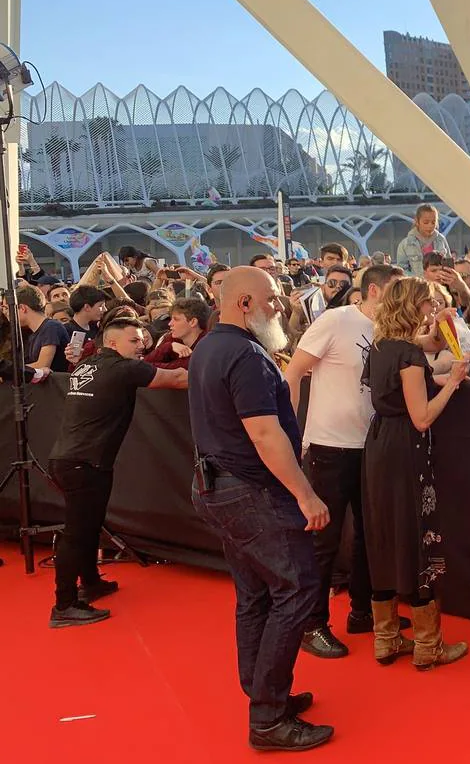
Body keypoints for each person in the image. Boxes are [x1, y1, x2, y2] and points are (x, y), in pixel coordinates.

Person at [189, 266, 333, 752]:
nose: (281, 305)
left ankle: (263, 692)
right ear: (243, 303)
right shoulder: (245, 355)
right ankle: (268, 717)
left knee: (256, 593)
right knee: (296, 589)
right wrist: (305, 494)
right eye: (272, 298)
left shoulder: (210, 346)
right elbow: (265, 435)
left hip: (218, 488)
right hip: (249, 490)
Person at [282, 264, 401, 660]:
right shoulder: (336, 321)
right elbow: (294, 372)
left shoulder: (390, 331)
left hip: (372, 445)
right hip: (330, 446)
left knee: (371, 534)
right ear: (374, 291)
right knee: (324, 539)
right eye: (396, 291)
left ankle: (364, 611)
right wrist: (291, 433)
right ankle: (311, 624)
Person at [47, 317, 188, 628]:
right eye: (133, 341)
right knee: (77, 532)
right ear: (111, 343)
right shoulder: (125, 369)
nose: (141, 346)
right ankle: (64, 605)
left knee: (89, 525)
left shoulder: (89, 364)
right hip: (84, 463)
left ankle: (91, 583)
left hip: (72, 459)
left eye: (142, 340)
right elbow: (179, 379)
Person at [363, 277, 470, 672]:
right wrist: (454, 383)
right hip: (405, 451)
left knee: (384, 534)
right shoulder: (407, 354)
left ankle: (386, 638)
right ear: (412, 307)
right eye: (425, 303)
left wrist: (442, 325)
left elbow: (432, 348)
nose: (429, 308)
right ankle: (428, 645)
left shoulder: (382, 346)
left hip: (379, 446)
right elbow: (422, 416)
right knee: (416, 537)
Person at [143, 297, 210, 369]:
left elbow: (144, 368)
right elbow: (143, 364)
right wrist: (169, 346)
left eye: (176, 319)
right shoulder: (171, 339)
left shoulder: (206, 347)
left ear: (193, 322)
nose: (170, 324)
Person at [16, 285, 69, 372]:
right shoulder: (35, 332)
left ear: (22, 308)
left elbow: (42, 365)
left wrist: (9, 371)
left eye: (13, 310)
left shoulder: (51, 327)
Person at [395, 204, 451, 277]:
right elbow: (401, 270)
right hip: (418, 286)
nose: (430, 226)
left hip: (440, 285)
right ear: (417, 222)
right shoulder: (405, 244)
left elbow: (449, 266)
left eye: (433, 222)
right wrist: (419, 279)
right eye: (426, 222)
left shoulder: (441, 239)